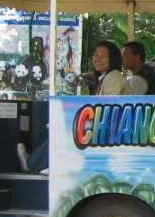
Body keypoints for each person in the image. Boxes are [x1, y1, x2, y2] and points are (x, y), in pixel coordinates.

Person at [17, 41, 130, 173]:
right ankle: (39, 164)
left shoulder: (113, 77)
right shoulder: (107, 77)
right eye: (95, 55)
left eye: (103, 56)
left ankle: (33, 163)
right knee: (65, 128)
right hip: (110, 128)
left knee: (67, 129)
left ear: (113, 59)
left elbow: (108, 109)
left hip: (115, 130)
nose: (97, 58)